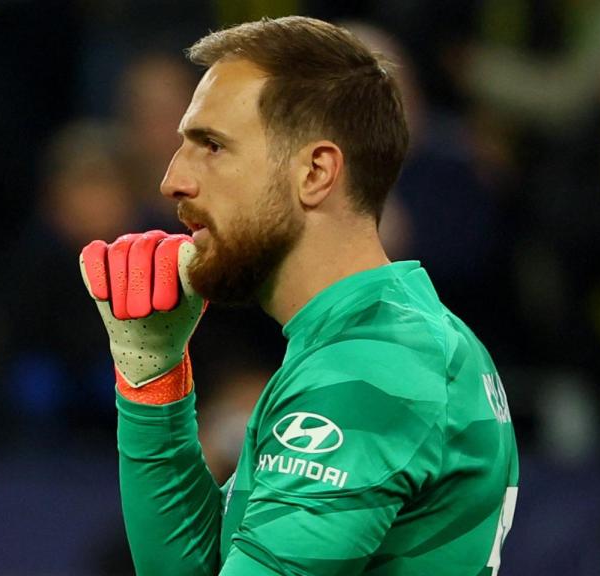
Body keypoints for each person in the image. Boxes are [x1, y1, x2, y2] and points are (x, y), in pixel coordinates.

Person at [78, 16, 519, 575]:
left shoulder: (370, 369)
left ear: (315, 172)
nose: (173, 180)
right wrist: (153, 383)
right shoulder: (367, 341)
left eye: (211, 145)